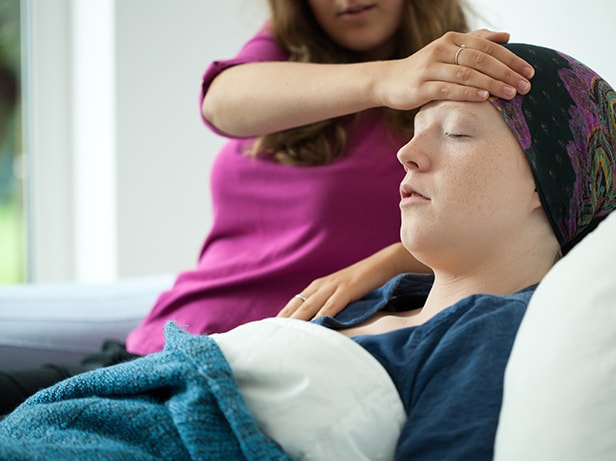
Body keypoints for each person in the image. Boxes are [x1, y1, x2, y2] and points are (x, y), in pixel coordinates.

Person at [0, 43, 616, 461]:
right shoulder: (386, 300)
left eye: (458, 134)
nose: (406, 155)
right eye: (414, 133)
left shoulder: (497, 334)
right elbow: (221, 99)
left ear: (549, 180)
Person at [0, 0, 535, 413]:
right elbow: (220, 101)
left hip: (243, 370)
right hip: (158, 342)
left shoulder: (475, 82)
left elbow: (564, 214)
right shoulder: (285, 54)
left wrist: (386, 263)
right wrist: (387, 78)